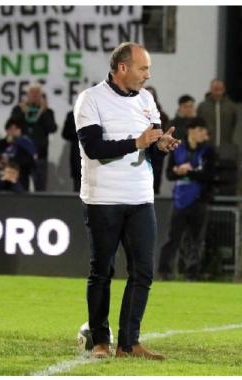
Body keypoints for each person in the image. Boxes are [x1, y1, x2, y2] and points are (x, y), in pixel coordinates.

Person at [73, 42, 179, 360]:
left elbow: (154, 137)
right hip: (103, 198)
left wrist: (162, 143)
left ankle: (129, 344)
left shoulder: (147, 99)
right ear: (123, 68)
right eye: (142, 68)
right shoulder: (90, 100)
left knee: (143, 271)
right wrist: (137, 142)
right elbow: (93, 148)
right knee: (102, 271)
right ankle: (101, 342)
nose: (147, 74)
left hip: (140, 197)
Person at [158, 117, 215, 281]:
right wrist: (178, 171)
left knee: (196, 239)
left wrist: (187, 172)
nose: (204, 134)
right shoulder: (176, 149)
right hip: (180, 200)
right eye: (201, 130)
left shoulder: (208, 151)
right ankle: (165, 271)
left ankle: (192, 273)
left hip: (200, 200)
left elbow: (209, 175)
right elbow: (169, 174)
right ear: (191, 130)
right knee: (173, 237)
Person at [10, 83, 57, 191]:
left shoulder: (47, 111)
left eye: (37, 93)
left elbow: (52, 128)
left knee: (40, 189)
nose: (34, 96)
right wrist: (22, 111)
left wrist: (43, 112)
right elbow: (11, 125)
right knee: (21, 189)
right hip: (21, 156)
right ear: (27, 95)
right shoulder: (19, 109)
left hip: (40, 156)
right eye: (32, 93)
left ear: (41, 95)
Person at [0, 118, 36, 191]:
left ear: (20, 130)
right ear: (6, 130)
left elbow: (30, 162)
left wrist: (11, 160)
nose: (13, 131)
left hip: (20, 180)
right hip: (1, 179)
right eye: (10, 129)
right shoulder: (1, 143)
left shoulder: (26, 144)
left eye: (16, 129)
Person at [145, 86, 170, 194]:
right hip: (141, 148)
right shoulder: (135, 113)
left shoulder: (162, 116)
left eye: (152, 95)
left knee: (156, 175)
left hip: (157, 149)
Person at [197, 79, 237, 146]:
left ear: (224, 89)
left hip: (226, 146)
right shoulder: (202, 106)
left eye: (220, 89)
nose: (218, 92)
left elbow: (235, 125)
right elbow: (198, 125)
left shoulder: (232, 107)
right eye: (215, 89)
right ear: (210, 89)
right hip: (207, 146)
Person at [61, 111, 81, 192]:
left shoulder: (97, 112)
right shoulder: (72, 114)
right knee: (78, 186)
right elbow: (65, 133)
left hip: (95, 157)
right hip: (77, 155)